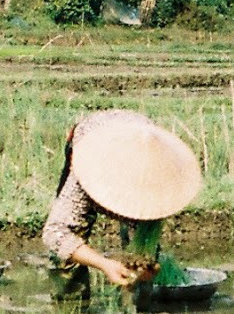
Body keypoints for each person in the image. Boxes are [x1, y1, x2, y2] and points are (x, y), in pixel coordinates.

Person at [40, 109, 204, 288]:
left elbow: (147, 226)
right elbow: (56, 234)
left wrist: (145, 261)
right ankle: (70, 305)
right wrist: (105, 265)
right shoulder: (88, 167)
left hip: (140, 138)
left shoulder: (160, 169)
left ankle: (136, 306)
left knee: (141, 250)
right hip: (94, 138)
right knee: (66, 254)